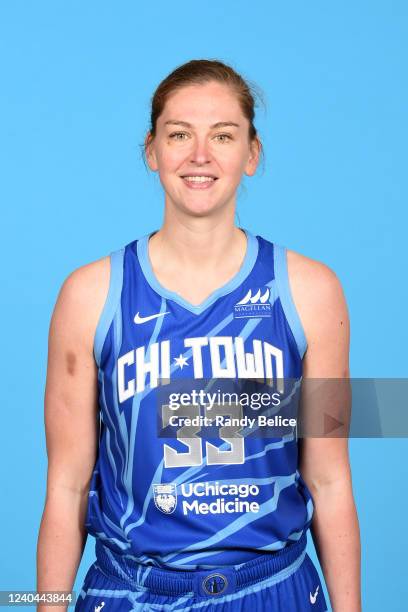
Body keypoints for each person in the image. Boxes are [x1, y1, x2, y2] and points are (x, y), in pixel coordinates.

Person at [37, 59, 361, 611]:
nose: (200, 156)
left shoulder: (310, 291)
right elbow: (67, 486)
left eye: (223, 135)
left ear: (251, 154)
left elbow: (329, 480)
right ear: (152, 150)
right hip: (133, 592)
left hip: (271, 590)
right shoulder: (90, 295)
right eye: (180, 134)